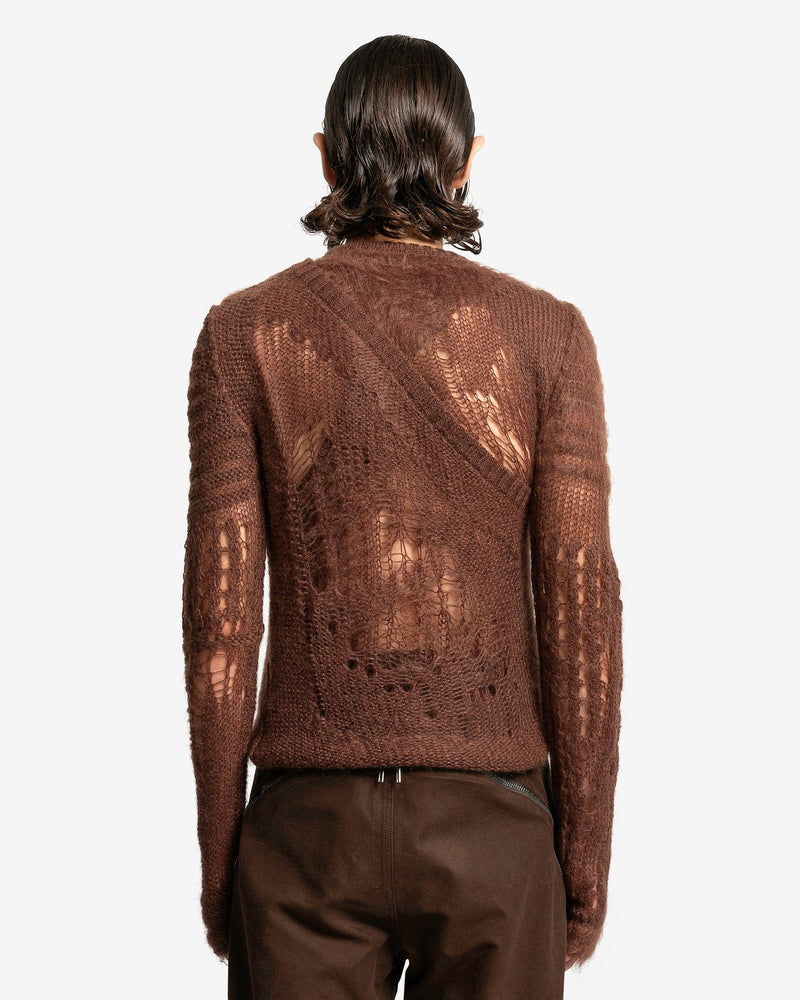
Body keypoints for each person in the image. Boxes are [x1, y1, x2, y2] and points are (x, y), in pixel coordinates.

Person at [182, 33, 624, 1000]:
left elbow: (220, 624)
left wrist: (223, 864)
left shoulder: (243, 333)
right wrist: (582, 868)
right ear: (467, 162)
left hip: (305, 837)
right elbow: (580, 609)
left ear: (326, 158)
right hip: (496, 833)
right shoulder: (549, 337)